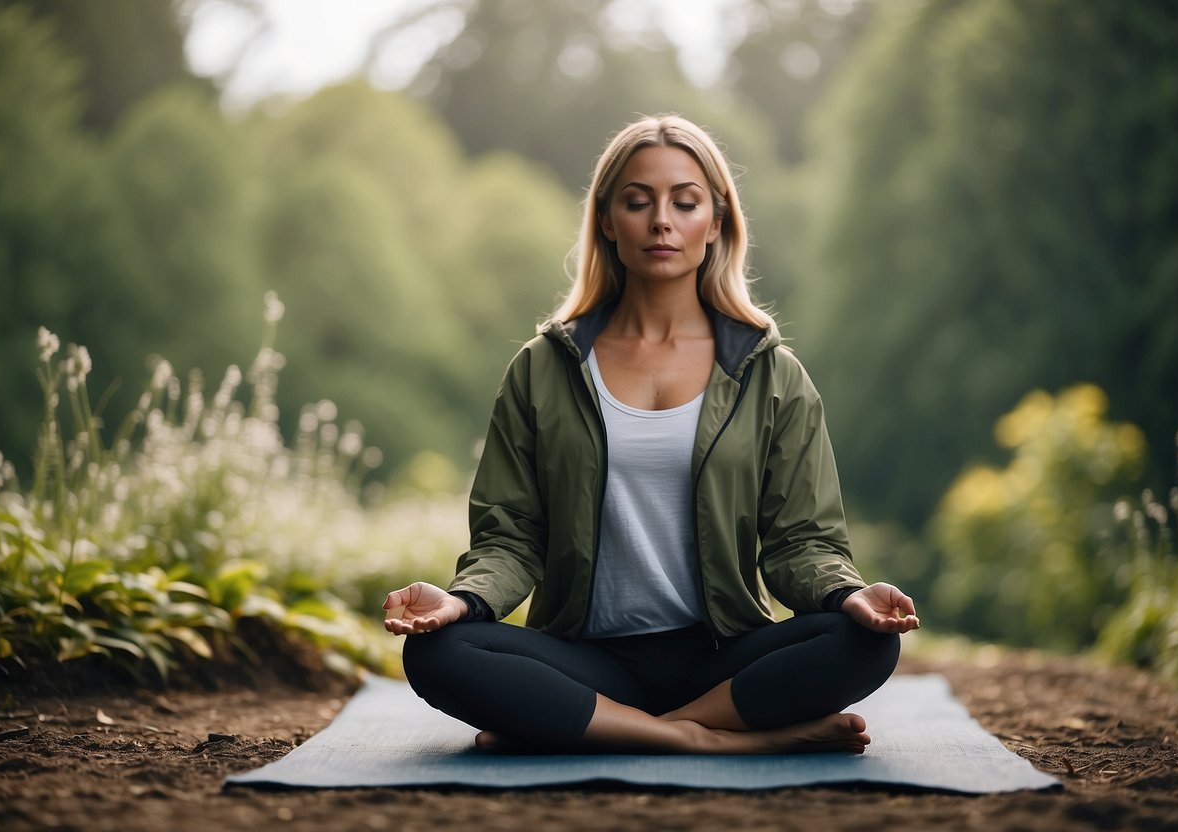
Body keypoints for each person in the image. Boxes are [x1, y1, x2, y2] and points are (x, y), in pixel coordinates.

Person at [383, 114, 920, 755]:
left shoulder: (771, 375)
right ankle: (713, 740)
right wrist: (462, 602)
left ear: (715, 224)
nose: (661, 221)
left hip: (721, 657)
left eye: (685, 202)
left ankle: (585, 726)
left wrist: (849, 594)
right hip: (585, 659)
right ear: (607, 222)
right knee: (438, 653)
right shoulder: (543, 368)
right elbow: (511, 537)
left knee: (865, 642)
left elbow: (800, 542)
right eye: (637, 202)